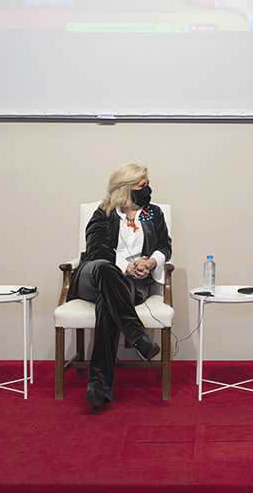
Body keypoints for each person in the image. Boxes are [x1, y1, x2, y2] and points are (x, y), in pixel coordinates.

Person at [68, 164, 170, 412]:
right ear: (125, 189)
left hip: (132, 284)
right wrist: (127, 266)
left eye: (147, 184)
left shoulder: (153, 214)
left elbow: (165, 246)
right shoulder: (104, 213)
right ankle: (137, 335)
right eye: (142, 186)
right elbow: (97, 249)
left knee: (109, 302)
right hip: (95, 276)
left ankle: (98, 386)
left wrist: (150, 262)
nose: (148, 189)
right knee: (106, 269)